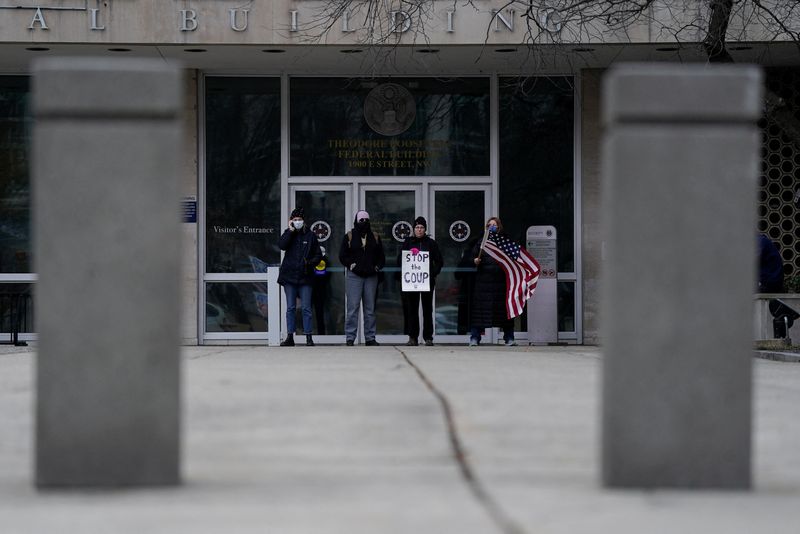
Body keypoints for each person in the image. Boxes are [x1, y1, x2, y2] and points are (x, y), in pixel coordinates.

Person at [339, 210, 385, 346]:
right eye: (361, 220)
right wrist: (350, 265)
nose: (364, 223)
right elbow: (342, 255)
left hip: (371, 276)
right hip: (354, 276)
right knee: (352, 308)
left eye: (366, 220)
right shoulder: (349, 236)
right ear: (356, 221)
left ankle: (370, 338)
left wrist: (377, 267)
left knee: (370, 309)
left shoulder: (375, 237)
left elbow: (381, 257)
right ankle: (350, 337)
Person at [469, 216, 516, 346]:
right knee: (479, 313)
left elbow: (512, 258)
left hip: (501, 284)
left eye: (494, 225)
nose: (492, 227)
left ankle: (509, 338)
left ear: (499, 226)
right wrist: (475, 261)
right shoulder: (481, 242)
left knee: (504, 313)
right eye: (489, 225)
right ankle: (475, 338)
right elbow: (471, 257)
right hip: (483, 284)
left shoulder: (505, 242)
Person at [278, 207, 322, 346]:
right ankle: (290, 337)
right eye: (295, 220)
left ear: (304, 221)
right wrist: (290, 231)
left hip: (305, 276)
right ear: (291, 221)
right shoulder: (288, 233)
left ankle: (308, 336)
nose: (297, 222)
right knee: (290, 308)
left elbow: (318, 255)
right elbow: (282, 245)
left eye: (300, 220)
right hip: (289, 276)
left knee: (306, 308)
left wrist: (309, 263)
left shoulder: (310, 235)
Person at [398, 216, 443, 346]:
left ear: (425, 229)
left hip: (426, 281)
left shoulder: (431, 243)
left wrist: (432, 273)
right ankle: (413, 337)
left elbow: (439, 262)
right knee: (412, 309)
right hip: (412, 282)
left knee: (427, 309)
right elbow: (400, 260)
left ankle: (428, 337)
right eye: (417, 227)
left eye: (421, 227)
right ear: (413, 229)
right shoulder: (407, 242)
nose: (419, 230)